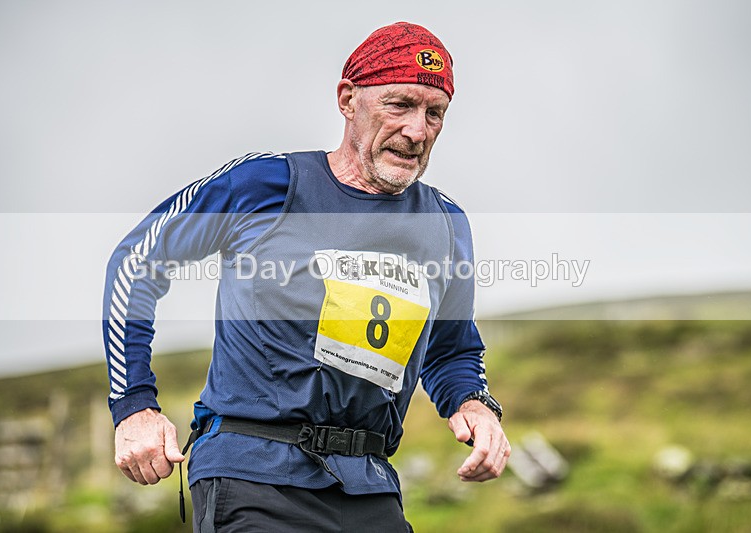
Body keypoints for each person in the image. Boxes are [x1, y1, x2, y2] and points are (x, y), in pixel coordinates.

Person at [103, 21, 510, 532]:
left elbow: (450, 349)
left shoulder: (445, 225)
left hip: (369, 485)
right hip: (253, 477)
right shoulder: (264, 184)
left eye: (435, 114)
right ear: (348, 99)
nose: (417, 130)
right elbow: (137, 262)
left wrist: (473, 402)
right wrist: (134, 405)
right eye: (399, 105)